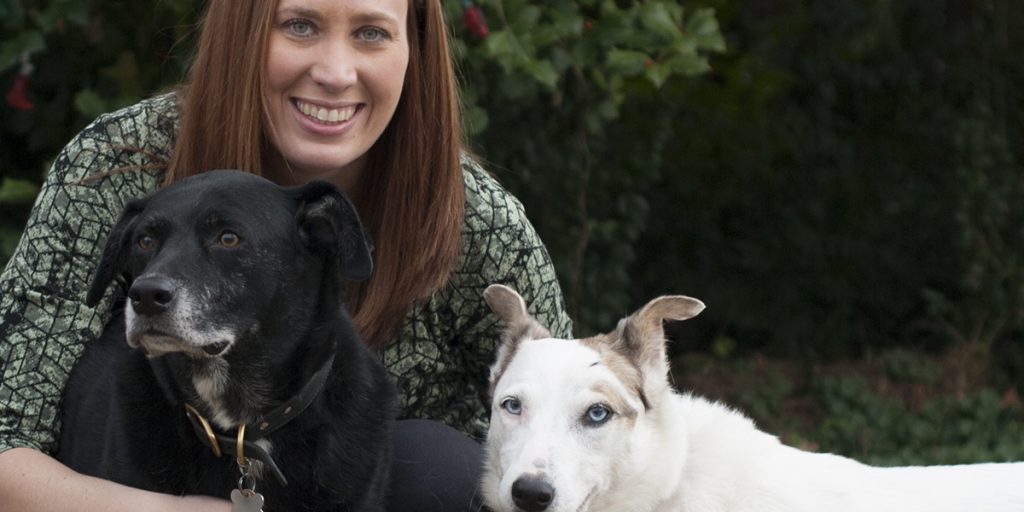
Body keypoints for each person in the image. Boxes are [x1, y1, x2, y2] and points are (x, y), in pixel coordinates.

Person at [0, 0, 572, 510]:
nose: (334, 73)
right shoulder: (118, 166)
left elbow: (582, 415)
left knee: (436, 464)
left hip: (380, 491)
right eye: (299, 25)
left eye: (371, 33)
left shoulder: (468, 217)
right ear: (243, 32)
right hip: (137, 484)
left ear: (413, 51)